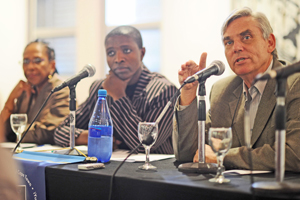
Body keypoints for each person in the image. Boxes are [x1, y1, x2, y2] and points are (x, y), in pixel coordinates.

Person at [173, 7, 300, 171]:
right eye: (229, 42)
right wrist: (188, 92)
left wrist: (223, 157)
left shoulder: (294, 84)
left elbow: (293, 154)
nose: (236, 47)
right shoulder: (222, 91)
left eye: (246, 37)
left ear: (270, 43)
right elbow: (189, 154)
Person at [54, 26, 178, 154]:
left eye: (127, 50)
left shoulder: (163, 91)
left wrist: (118, 96)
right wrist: (90, 136)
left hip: (151, 171)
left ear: (142, 53)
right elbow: (60, 131)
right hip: (107, 168)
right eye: (111, 53)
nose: (118, 59)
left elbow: (145, 144)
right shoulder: (100, 87)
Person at [0, 40, 70, 145]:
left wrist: (15, 132)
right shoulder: (24, 90)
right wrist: (10, 100)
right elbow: (3, 132)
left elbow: (49, 133)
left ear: (52, 65)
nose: (30, 67)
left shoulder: (61, 89)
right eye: (26, 61)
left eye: (37, 60)